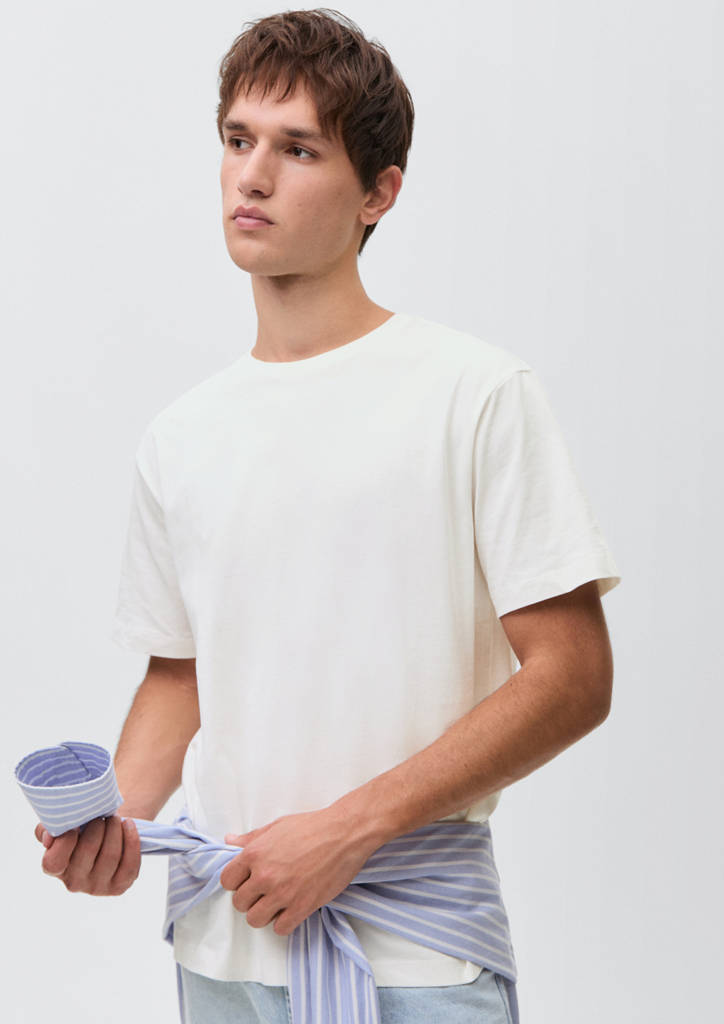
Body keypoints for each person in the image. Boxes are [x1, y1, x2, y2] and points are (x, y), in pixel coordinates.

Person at [34, 9, 621, 1022]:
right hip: (224, 949)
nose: (252, 176)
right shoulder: (182, 436)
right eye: (238, 140)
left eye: (298, 149)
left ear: (377, 193)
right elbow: (183, 673)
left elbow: (572, 676)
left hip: (419, 956)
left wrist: (349, 829)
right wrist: (114, 819)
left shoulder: (472, 393)